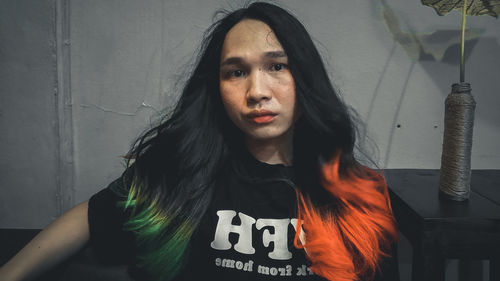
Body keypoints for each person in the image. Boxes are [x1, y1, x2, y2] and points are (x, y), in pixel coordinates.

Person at [0, 2, 399, 281]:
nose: (257, 90)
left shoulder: (359, 197)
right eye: (235, 72)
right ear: (218, 88)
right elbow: (90, 217)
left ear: (305, 78)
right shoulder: (182, 171)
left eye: (277, 66)